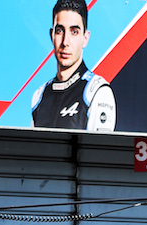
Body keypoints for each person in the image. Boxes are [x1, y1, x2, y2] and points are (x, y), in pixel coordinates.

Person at [31, 0, 116, 132]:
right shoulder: (39, 95)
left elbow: (99, 151)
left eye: (74, 32)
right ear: (51, 36)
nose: (65, 42)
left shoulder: (97, 92)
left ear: (85, 38)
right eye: (59, 31)